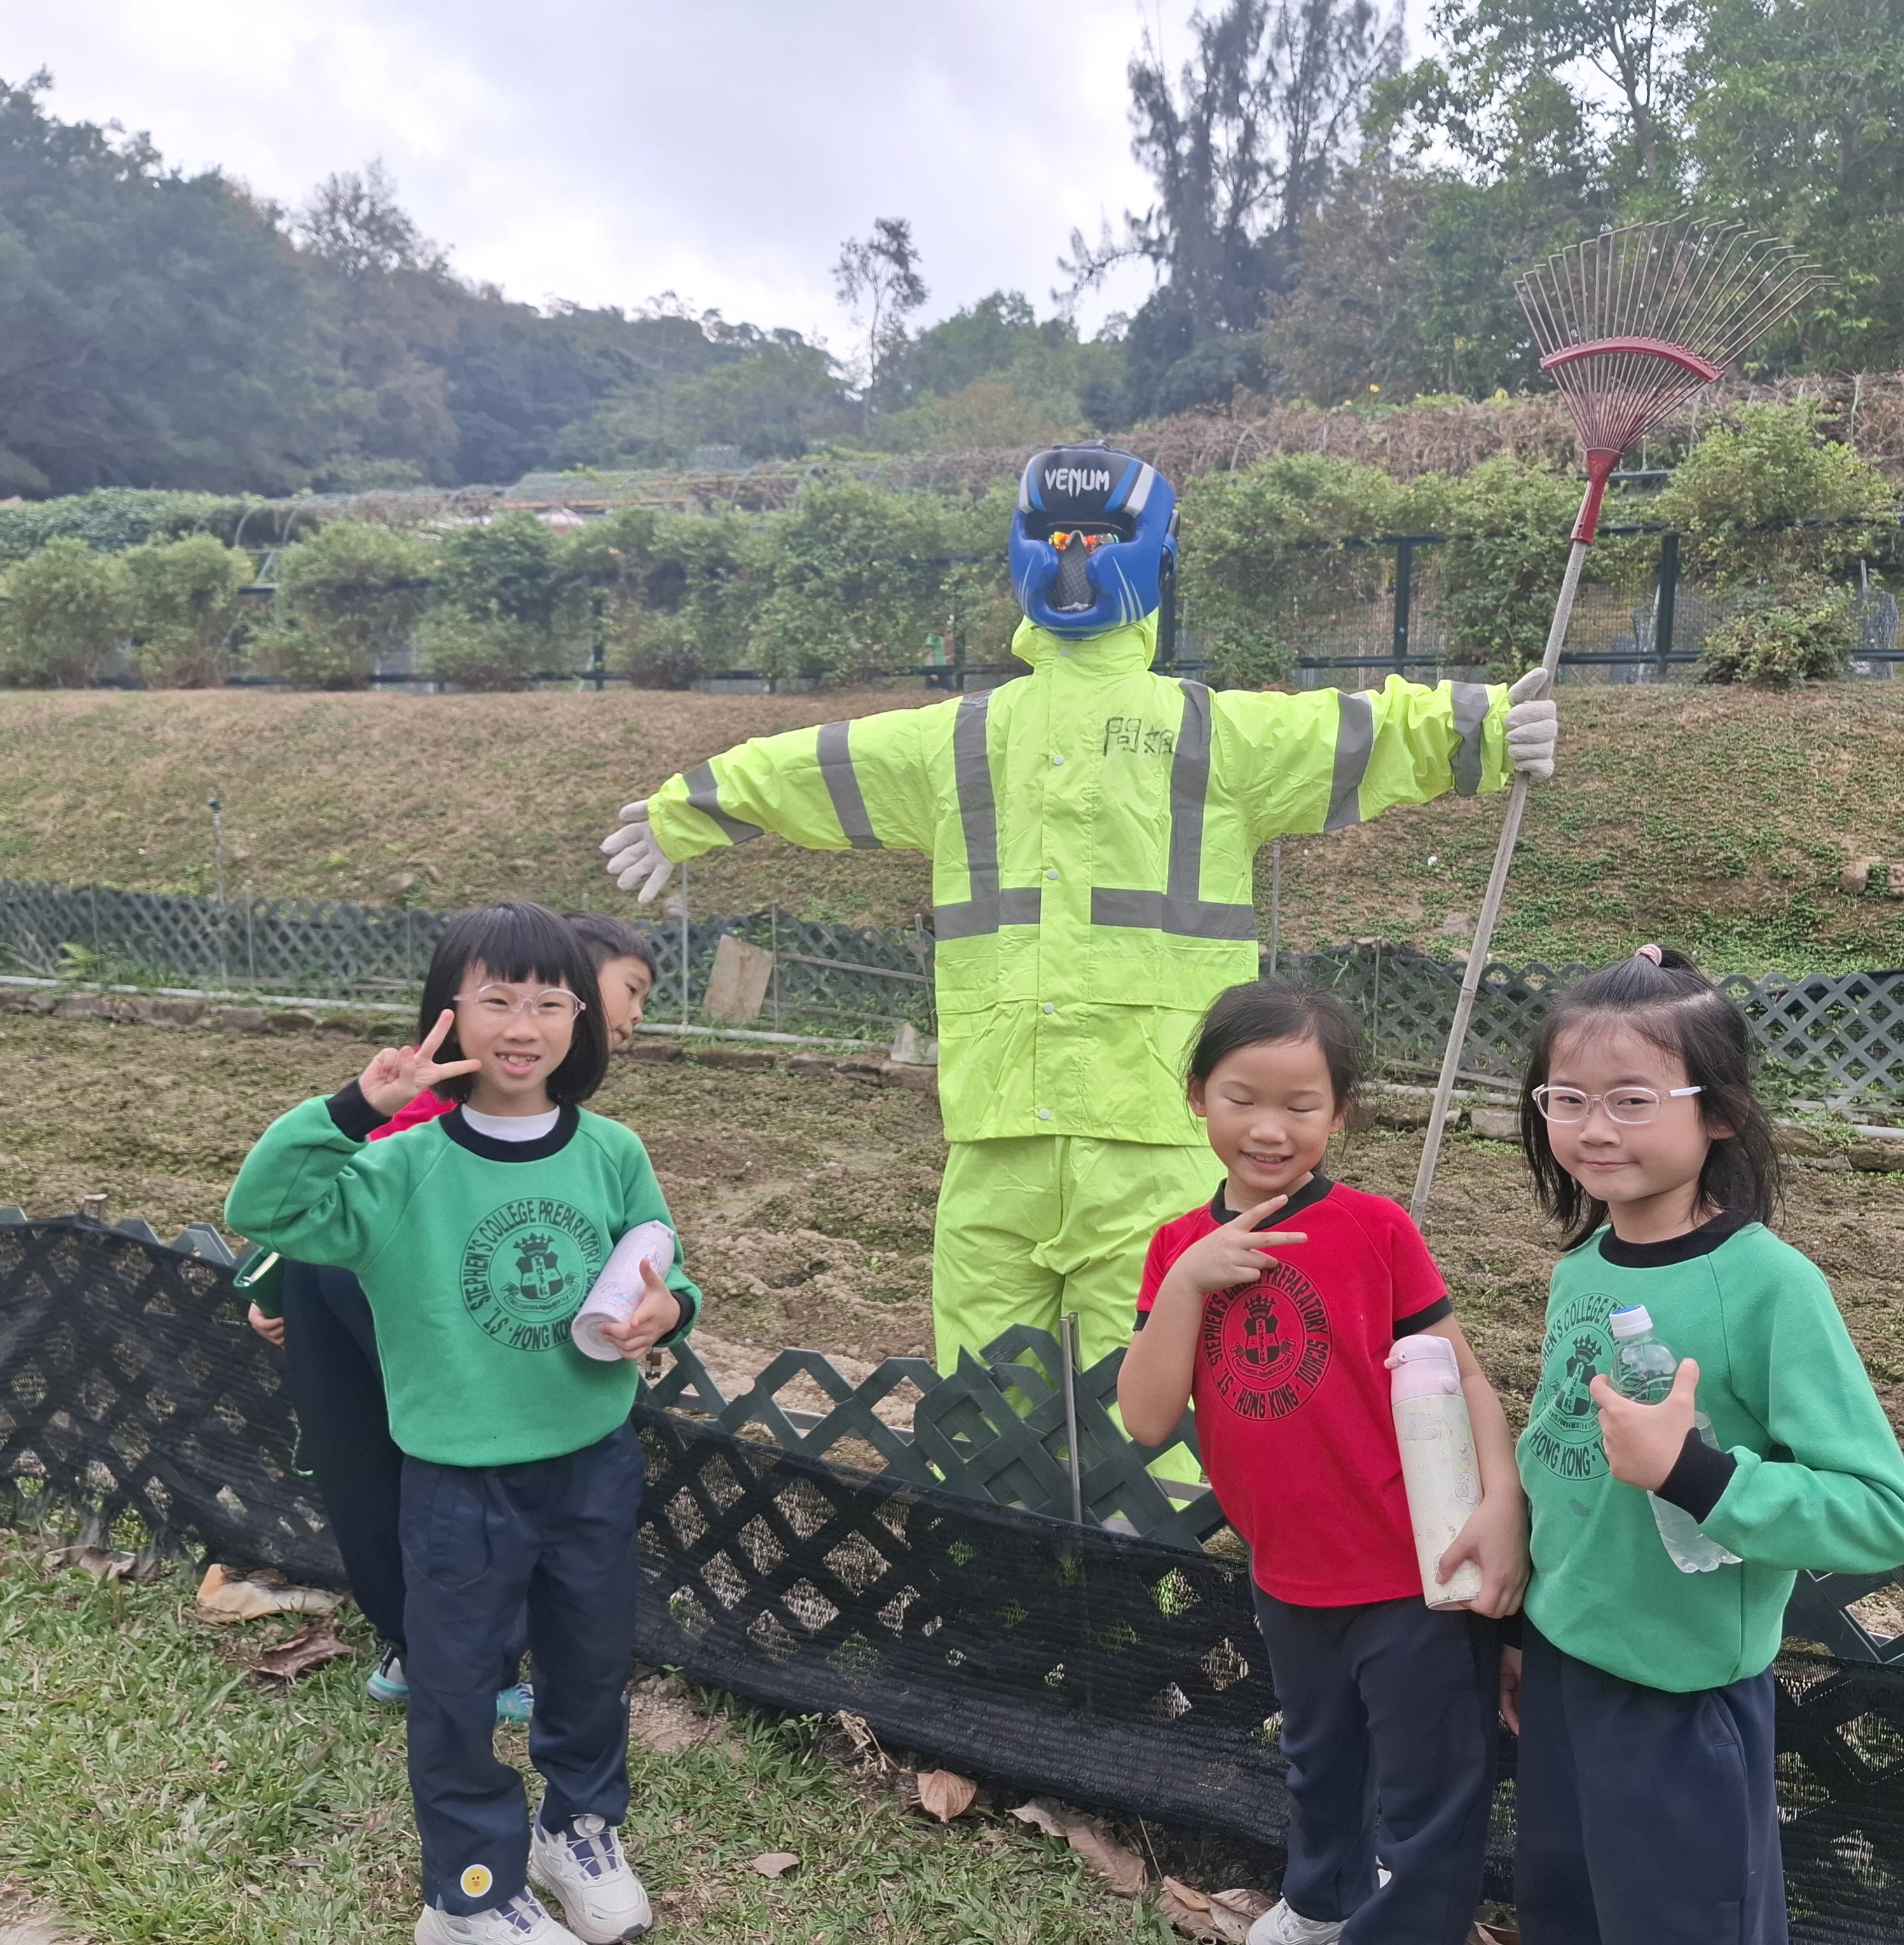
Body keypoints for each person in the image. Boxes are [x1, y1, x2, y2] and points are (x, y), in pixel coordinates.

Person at [600, 442, 1561, 1390]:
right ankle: (1088, 1504)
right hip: (1114, 1129)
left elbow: (1355, 730)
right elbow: (820, 765)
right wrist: (1479, 731)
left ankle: (1025, 1501)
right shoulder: (1185, 734)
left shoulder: (987, 739)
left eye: (1092, 537)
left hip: (1058, 1131)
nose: (1076, 556)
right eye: (1064, 536)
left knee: (1029, 1403)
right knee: (1124, 1406)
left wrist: (1477, 730)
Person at [229, 900, 695, 1945]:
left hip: (593, 1462)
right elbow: (265, 1209)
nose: (523, 1025)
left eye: (549, 1002)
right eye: (496, 999)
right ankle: (469, 1895)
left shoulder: (613, 1152)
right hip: (458, 1482)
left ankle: (578, 1832)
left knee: (590, 1667)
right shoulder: (401, 1168)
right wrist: (358, 1106)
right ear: (449, 1011)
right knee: (457, 1688)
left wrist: (669, 1310)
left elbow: (658, 1256)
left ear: (580, 1021)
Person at [1508, 945, 1904, 1945]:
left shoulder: (1770, 1286)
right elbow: (1560, 1463)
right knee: (1566, 1917)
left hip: (1680, 1699)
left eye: (1632, 1101)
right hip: (1564, 1667)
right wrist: (1522, 1633)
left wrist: (1694, 1475)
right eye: (1567, 1099)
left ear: (1722, 1113)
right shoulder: (1583, 1268)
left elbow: (1881, 1517)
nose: (1593, 1129)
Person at [1118, 980, 1528, 1945]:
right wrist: (1187, 1285)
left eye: (1301, 1105)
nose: (1269, 1128)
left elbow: (1465, 1377)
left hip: (1413, 1569)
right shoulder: (1178, 1249)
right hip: (1288, 1572)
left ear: (1339, 1113)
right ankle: (1319, 1908)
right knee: (1318, 1759)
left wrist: (1503, 1499)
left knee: (1431, 1781)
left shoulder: (1376, 1231)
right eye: (1241, 1098)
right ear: (1198, 1096)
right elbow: (1144, 1419)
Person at [245, 911, 661, 1723]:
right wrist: (273, 1280)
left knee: (386, 1462)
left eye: (549, 1005)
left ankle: (427, 1648)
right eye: (631, 989)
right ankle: (451, 1656)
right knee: (427, 1464)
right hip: (376, 1278)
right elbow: (325, 1197)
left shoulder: (591, 1138)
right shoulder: (443, 1120)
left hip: (354, 1272)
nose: (638, 1013)